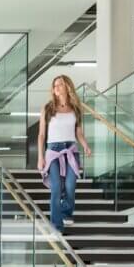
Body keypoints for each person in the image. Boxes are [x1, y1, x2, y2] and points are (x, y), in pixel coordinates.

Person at [36, 74, 92, 233]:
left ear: (67, 86)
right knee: (55, 188)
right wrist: (40, 157)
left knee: (69, 186)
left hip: (71, 150)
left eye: (60, 84)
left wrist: (86, 146)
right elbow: (41, 135)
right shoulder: (48, 108)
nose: (57, 88)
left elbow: (79, 132)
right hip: (52, 151)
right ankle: (56, 225)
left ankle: (66, 212)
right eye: (55, 86)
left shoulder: (76, 108)